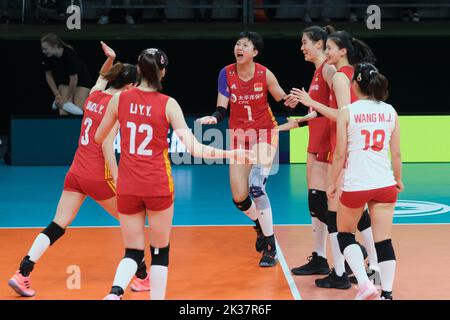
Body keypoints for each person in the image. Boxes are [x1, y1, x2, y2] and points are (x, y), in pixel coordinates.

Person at [97, 48, 246, 300]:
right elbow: (195, 149)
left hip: (127, 186)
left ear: (138, 69)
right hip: (157, 185)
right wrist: (232, 154)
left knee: (132, 252)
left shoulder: (119, 100)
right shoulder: (169, 104)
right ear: (163, 72)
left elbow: (100, 137)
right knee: (159, 251)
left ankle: (114, 294)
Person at [7, 42, 149, 297]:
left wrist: (111, 59)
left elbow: (101, 77)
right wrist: (120, 181)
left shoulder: (95, 94)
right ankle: (141, 278)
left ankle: (22, 272)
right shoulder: (118, 106)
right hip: (97, 175)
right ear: (129, 87)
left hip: (76, 173)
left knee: (57, 224)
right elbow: (107, 145)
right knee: (133, 223)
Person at [197, 31, 296, 268]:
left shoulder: (264, 74)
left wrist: (293, 102)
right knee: (239, 196)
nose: (239, 48)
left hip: (264, 133)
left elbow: (282, 99)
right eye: (237, 44)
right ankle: (261, 227)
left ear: (255, 52)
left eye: (245, 45)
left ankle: (270, 247)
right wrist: (214, 118)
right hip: (239, 136)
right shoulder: (226, 73)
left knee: (256, 187)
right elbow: (222, 107)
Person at [291, 29, 379, 289]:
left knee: (338, 212)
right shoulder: (346, 75)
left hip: (344, 150)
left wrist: (312, 103)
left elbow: (344, 115)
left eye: (329, 48)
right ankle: (358, 266)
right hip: (344, 148)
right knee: (343, 211)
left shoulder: (340, 76)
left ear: (342, 51)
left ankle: (349, 269)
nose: (326, 52)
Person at [328, 63, 403, 300]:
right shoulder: (390, 111)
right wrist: (398, 179)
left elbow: (340, 154)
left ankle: (364, 284)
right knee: (384, 241)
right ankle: (387, 294)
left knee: (345, 235)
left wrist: (332, 183)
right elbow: (397, 153)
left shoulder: (347, 111)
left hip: (357, 184)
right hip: (384, 184)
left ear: (356, 84)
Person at [278, 26, 336, 277]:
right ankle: (320, 257)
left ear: (320, 44)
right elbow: (319, 109)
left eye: (305, 43)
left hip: (327, 146)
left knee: (322, 204)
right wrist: (300, 120)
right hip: (315, 143)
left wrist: (310, 106)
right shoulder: (316, 73)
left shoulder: (329, 71)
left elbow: (339, 108)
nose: (302, 48)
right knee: (315, 205)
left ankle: (353, 251)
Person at [41, 33, 92, 115]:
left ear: (54, 46)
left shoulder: (69, 55)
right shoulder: (47, 56)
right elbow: (48, 76)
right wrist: (57, 95)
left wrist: (68, 99)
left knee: (78, 112)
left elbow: (74, 79)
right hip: (64, 82)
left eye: (45, 49)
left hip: (82, 81)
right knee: (63, 112)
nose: (43, 51)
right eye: (42, 49)